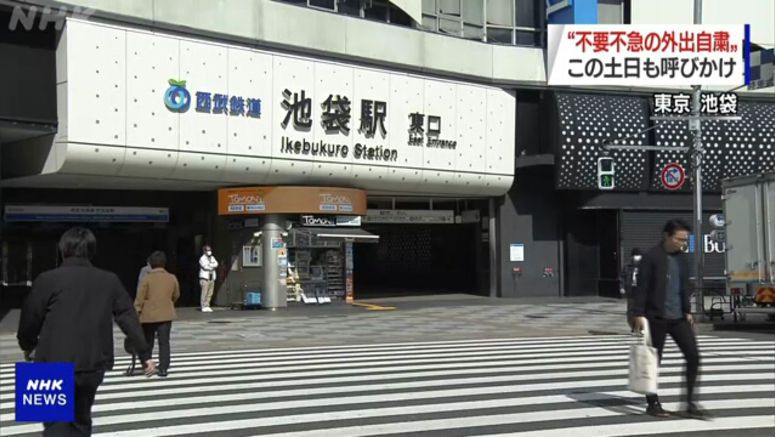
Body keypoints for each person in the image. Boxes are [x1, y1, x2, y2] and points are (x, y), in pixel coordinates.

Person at [17, 227, 156, 436]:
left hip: (50, 361)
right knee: (81, 420)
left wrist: (28, 345)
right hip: (92, 362)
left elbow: (29, 318)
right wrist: (145, 355)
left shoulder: (47, 279)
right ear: (92, 251)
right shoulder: (109, 280)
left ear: (62, 249)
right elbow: (128, 317)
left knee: (55, 424)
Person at [631, 219, 706, 419]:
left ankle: (690, 402)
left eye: (684, 240)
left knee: (694, 356)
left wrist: (687, 310)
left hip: (678, 317)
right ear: (666, 235)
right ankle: (653, 403)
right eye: (679, 239)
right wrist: (638, 313)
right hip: (655, 317)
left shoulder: (682, 259)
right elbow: (642, 288)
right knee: (653, 361)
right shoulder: (651, 257)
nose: (682, 243)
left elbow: (684, 286)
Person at [134, 250, 180, 377]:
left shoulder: (146, 279)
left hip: (148, 315)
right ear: (164, 263)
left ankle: (147, 364)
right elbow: (176, 295)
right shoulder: (172, 278)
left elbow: (140, 298)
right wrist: (168, 303)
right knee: (164, 342)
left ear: (151, 264)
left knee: (148, 341)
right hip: (166, 314)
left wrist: (136, 311)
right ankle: (163, 368)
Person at [620, 247, 643, 330]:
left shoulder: (644, 265)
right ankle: (633, 326)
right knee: (630, 310)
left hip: (641, 290)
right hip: (631, 290)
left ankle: (640, 327)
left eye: (639, 256)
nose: (637, 258)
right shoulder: (627, 266)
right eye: (636, 256)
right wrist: (622, 287)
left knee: (641, 310)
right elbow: (622, 277)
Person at [198, 245, 218, 312]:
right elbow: (205, 267)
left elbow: (216, 264)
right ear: (204, 251)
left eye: (210, 250)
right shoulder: (202, 258)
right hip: (205, 278)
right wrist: (212, 266)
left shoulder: (212, 257)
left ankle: (207, 305)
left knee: (210, 292)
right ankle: (203, 306)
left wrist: (210, 265)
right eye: (207, 250)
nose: (209, 251)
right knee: (204, 292)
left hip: (211, 278)